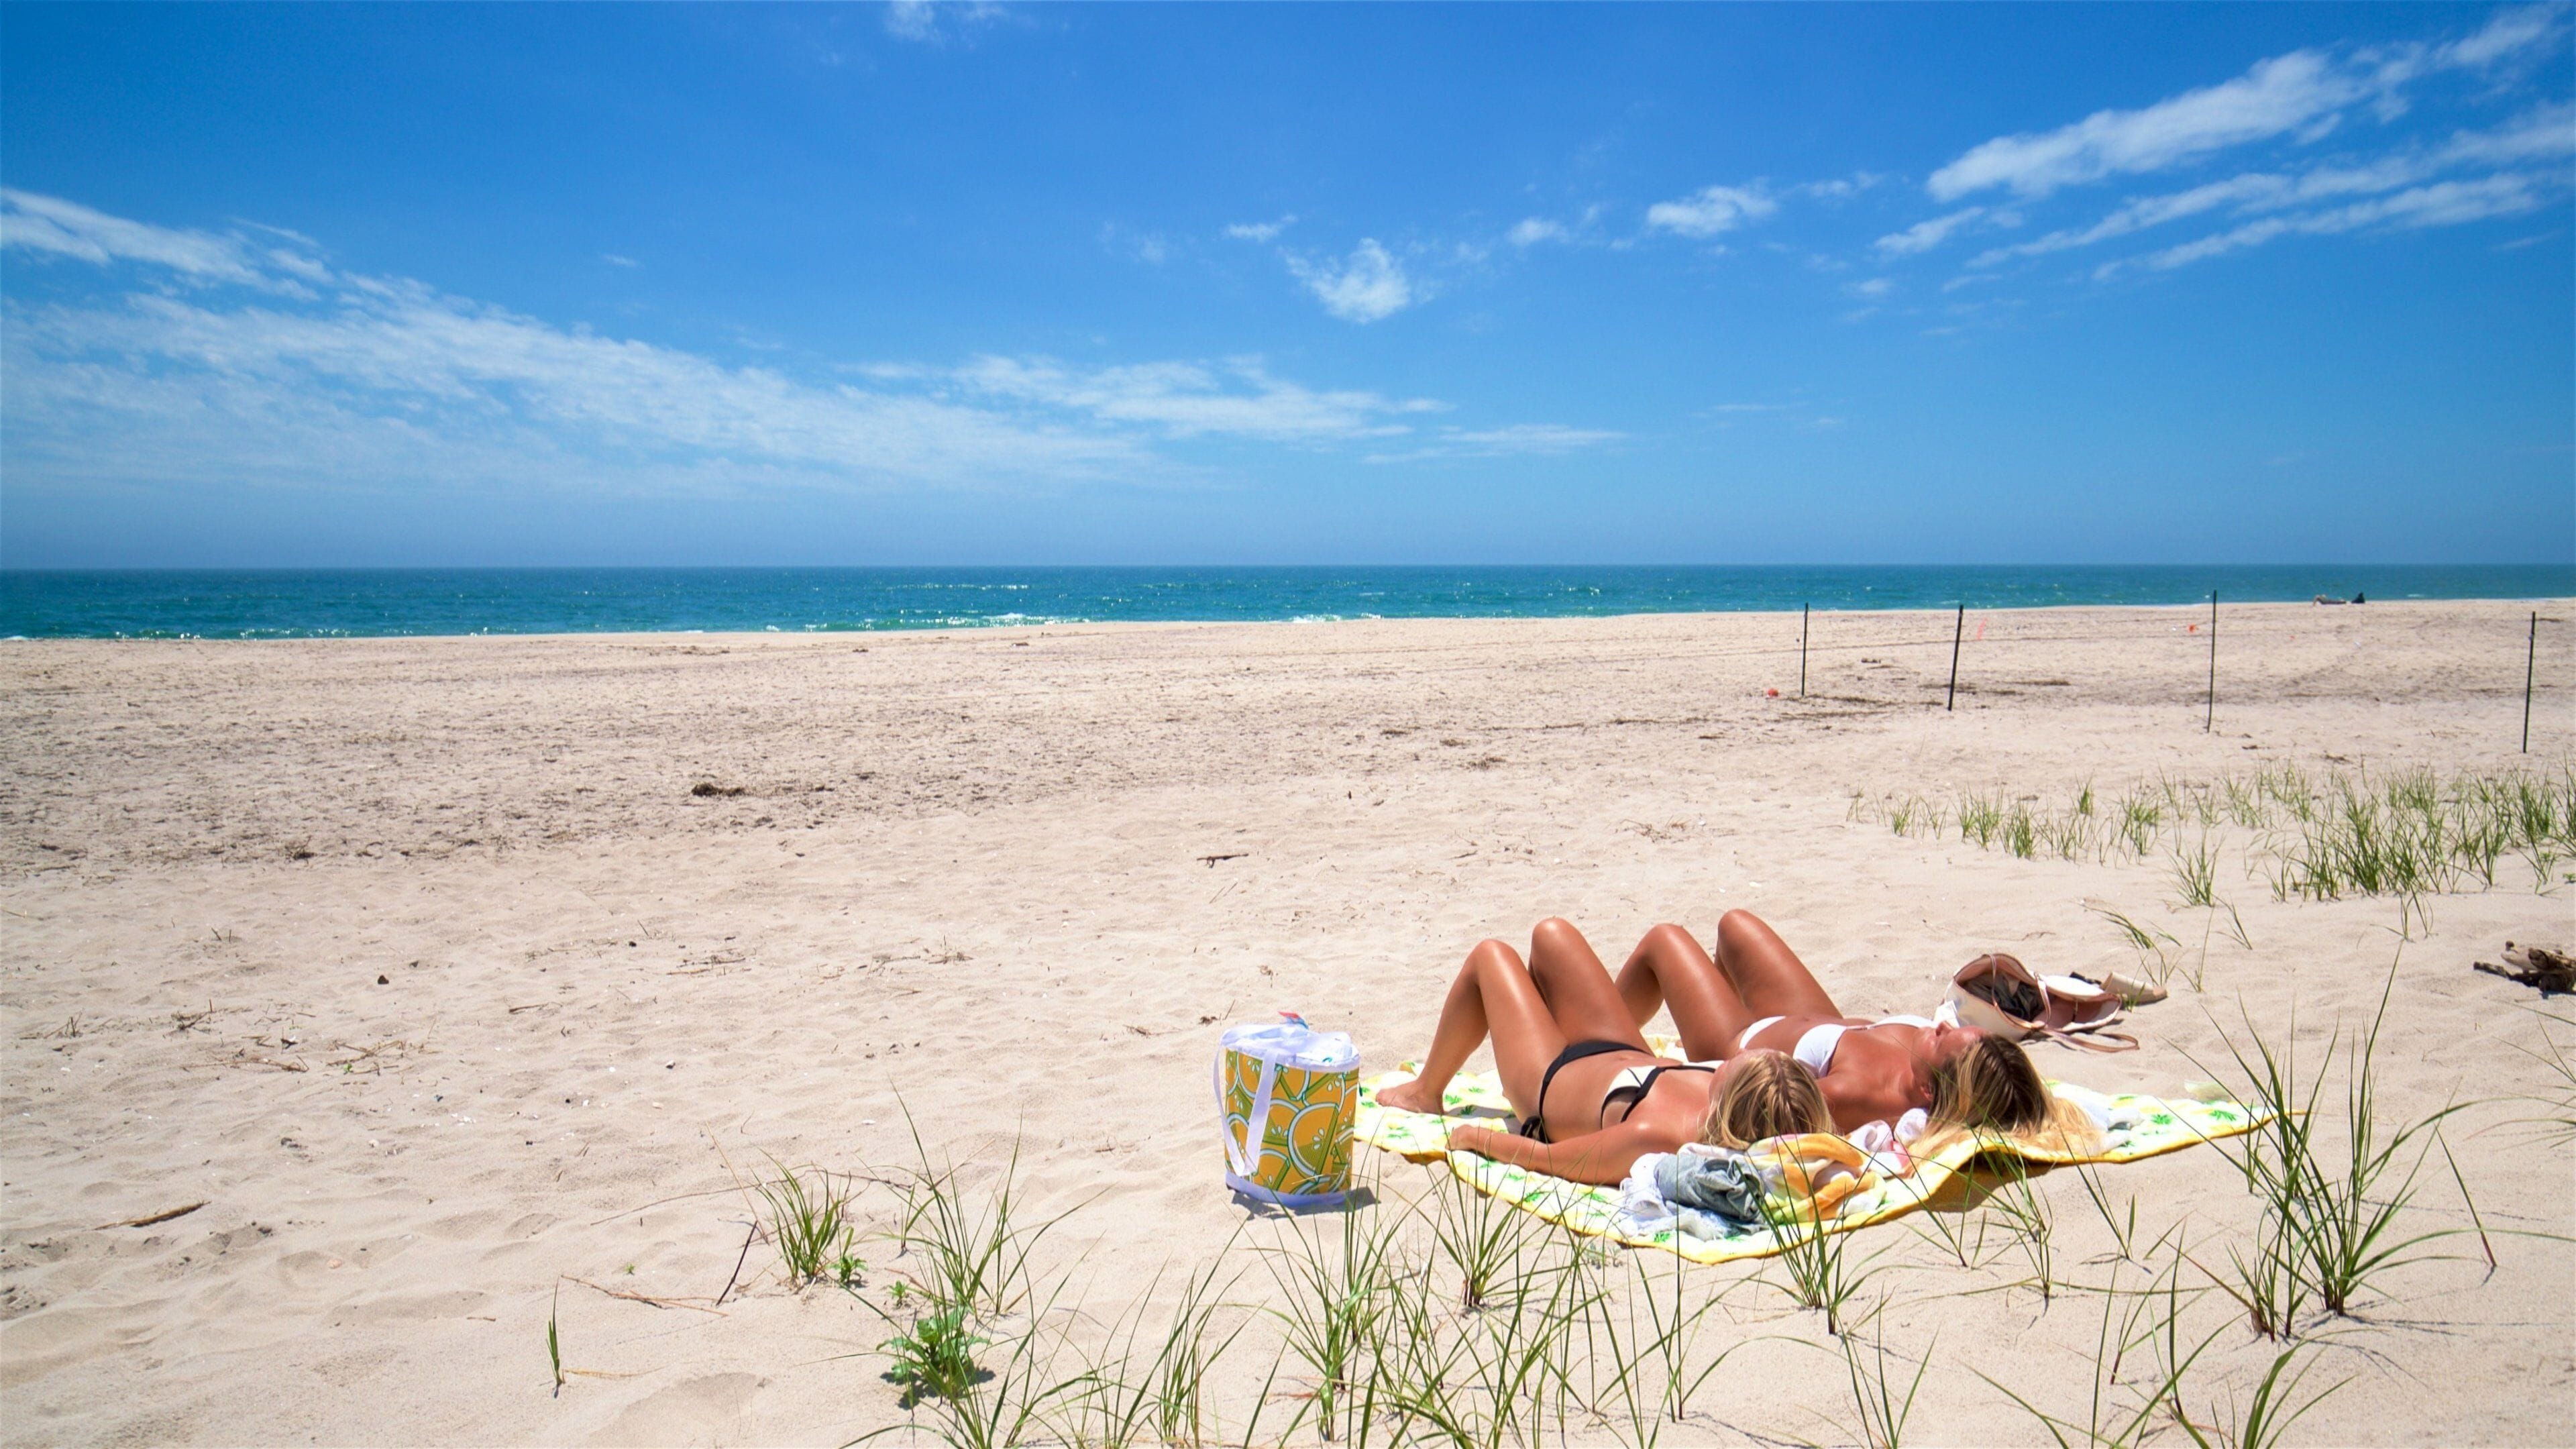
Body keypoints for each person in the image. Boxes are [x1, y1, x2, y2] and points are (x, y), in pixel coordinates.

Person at [1375, 919, 1831, 1185]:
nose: (1733, 1057)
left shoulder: (1656, 1134)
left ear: (1734, 1098)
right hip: (1621, 1050)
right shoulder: (1755, 1103)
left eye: (1737, 1067)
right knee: (1551, 935)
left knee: (1491, 956)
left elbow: (1555, 1162)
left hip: (1550, 1078)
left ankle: (1424, 1092)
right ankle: (1538, 1011)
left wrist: (1478, 1139)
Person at [1611, 910, 2092, 1144]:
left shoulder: (1861, 1096)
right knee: (1734, 925)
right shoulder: (1933, 1070)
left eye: (1945, 1041)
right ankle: (1706, 994)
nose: (1944, 1026)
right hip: (1820, 1021)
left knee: (1665, 940)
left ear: (1928, 1090)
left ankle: (1609, 1037)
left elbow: (1758, 1109)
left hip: (1740, 1041)